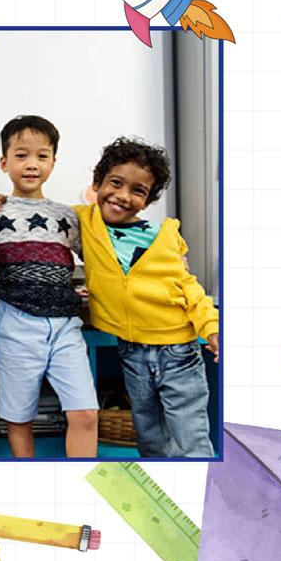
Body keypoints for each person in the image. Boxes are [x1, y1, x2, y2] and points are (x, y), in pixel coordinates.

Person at [0, 115, 99, 458]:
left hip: (66, 324)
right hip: (16, 322)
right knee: (18, 416)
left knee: (84, 413)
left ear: (53, 161)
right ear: (4, 162)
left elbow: (103, 257)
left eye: (42, 156)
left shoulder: (67, 215)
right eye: (21, 155)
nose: (31, 164)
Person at [76, 136, 218, 457]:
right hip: (132, 351)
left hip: (177, 352)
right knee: (149, 439)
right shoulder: (85, 222)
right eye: (115, 183)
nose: (123, 196)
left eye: (137, 191)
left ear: (148, 201)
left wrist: (211, 327)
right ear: (97, 183)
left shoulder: (162, 236)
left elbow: (188, 285)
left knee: (189, 439)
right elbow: (39, 210)